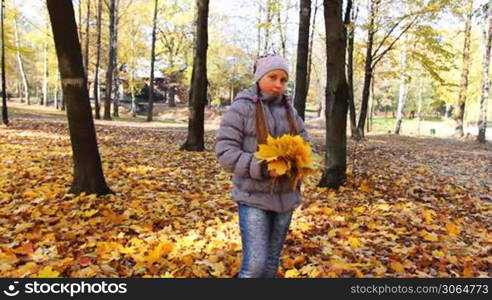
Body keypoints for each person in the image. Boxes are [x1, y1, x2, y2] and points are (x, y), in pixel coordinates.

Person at [215, 54, 311, 278]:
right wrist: (262, 166)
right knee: (254, 266)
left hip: (286, 198)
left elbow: (306, 145)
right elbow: (225, 152)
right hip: (253, 197)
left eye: (283, 80)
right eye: (273, 77)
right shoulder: (242, 108)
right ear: (259, 77)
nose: (278, 84)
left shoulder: (290, 112)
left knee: (270, 264)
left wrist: (299, 162)